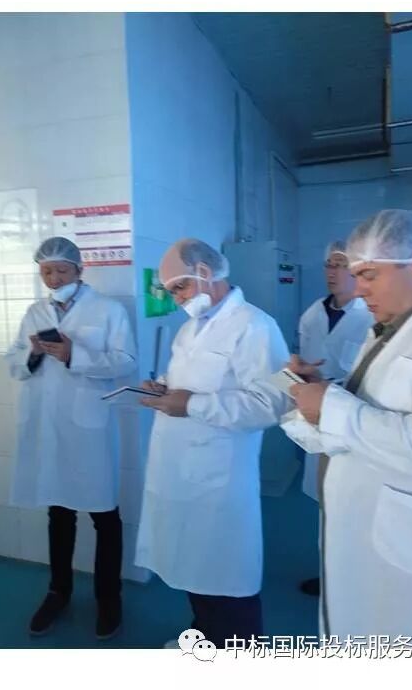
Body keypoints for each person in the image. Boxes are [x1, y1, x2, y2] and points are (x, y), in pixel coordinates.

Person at [283, 208, 412, 648]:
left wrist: (332, 408)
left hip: (407, 537)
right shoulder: (391, 325)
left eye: (368, 274)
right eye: (354, 275)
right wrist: (324, 390)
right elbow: (373, 404)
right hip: (366, 521)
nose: (358, 288)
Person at [136, 238, 290, 647]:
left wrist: (192, 404)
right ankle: (205, 639)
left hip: (220, 477)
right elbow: (189, 383)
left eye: (180, 287)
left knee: (225, 573)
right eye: (172, 292)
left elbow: (272, 403)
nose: (177, 299)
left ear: (204, 272)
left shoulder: (255, 326)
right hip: (180, 469)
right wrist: (164, 388)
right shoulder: (190, 327)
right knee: (194, 566)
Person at [6, 236, 137, 640]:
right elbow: (14, 362)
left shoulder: (109, 310)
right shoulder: (35, 311)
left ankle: (109, 598)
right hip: (49, 427)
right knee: (58, 512)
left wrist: (72, 355)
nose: (54, 278)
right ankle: (58, 591)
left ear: (80, 270)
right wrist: (33, 354)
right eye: (46, 271)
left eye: (62, 270)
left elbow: (126, 363)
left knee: (104, 516)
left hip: (90, 429)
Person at [294, 240, 373, 596]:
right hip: (317, 419)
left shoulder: (370, 314)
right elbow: (303, 361)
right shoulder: (312, 313)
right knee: (324, 503)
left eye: (341, 264)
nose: (332, 271)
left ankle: (354, 583)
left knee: (354, 507)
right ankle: (329, 577)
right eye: (329, 263)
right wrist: (294, 377)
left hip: (354, 423)